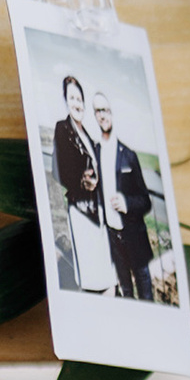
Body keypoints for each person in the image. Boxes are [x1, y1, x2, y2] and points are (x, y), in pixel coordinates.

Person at [90, 89, 162, 302]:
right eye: (97, 111)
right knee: (126, 295)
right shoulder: (94, 151)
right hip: (113, 239)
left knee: (145, 295)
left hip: (134, 238)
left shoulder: (129, 155)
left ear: (112, 112)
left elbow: (146, 201)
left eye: (105, 110)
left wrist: (127, 203)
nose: (101, 115)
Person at [51, 70, 112, 293]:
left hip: (97, 209)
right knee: (87, 274)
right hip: (79, 207)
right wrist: (81, 181)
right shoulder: (62, 128)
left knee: (100, 269)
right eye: (72, 98)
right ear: (65, 102)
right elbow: (60, 169)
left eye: (79, 98)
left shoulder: (89, 136)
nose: (76, 103)